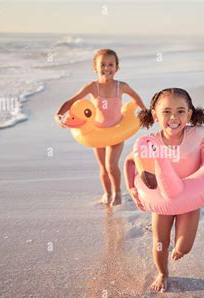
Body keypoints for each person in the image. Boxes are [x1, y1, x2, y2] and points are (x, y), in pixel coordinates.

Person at [124, 88, 204, 292]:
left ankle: (179, 250)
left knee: (184, 247)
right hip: (161, 200)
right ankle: (162, 273)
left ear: (190, 114)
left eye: (181, 111)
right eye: (166, 111)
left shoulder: (197, 134)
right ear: (155, 114)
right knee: (160, 241)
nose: (173, 117)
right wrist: (131, 187)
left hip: (190, 199)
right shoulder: (151, 143)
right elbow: (130, 161)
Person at [56, 49, 146, 206]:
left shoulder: (121, 86)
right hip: (97, 133)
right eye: (102, 64)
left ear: (117, 67)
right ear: (95, 68)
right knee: (103, 168)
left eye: (111, 64)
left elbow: (135, 97)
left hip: (117, 131)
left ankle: (117, 193)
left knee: (111, 165)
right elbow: (72, 101)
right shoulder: (92, 87)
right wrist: (58, 115)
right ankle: (107, 193)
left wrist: (145, 111)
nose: (107, 68)